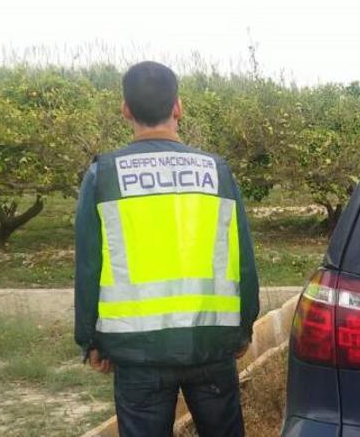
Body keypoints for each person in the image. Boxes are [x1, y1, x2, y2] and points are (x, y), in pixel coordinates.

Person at [74, 61, 259, 437]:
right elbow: (243, 258)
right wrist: (244, 329)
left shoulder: (104, 174)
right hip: (212, 342)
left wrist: (90, 339)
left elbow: (89, 263)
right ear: (178, 107)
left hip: (135, 349)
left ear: (126, 109)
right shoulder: (217, 172)